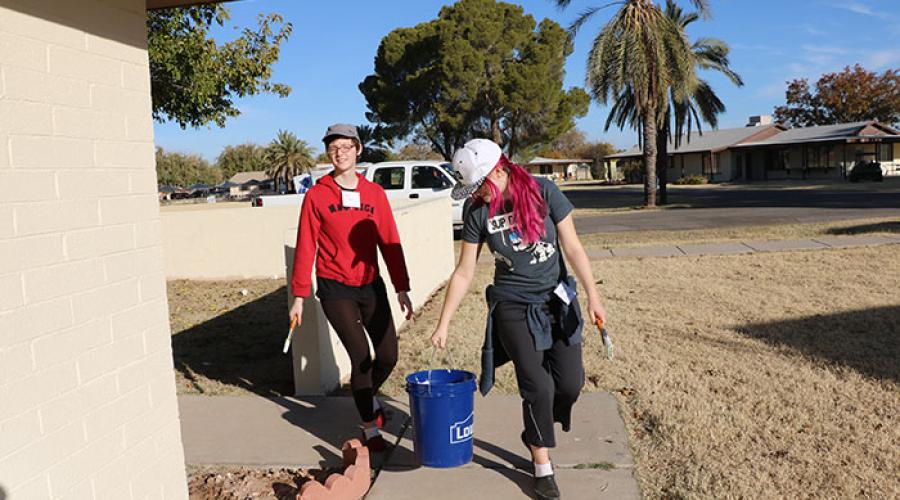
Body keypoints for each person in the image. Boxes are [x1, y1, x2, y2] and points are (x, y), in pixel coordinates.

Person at [430, 139, 606, 500]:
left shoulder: (544, 191)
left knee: (569, 383)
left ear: (499, 169)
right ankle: (542, 464)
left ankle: (537, 425)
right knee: (537, 385)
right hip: (511, 304)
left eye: (479, 186)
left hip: (556, 299)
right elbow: (464, 272)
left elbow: (572, 247)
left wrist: (593, 294)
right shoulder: (477, 211)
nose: (476, 194)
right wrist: (443, 322)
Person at [289, 123, 414, 452]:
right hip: (335, 288)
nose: (339, 153)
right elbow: (306, 245)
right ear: (328, 153)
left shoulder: (375, 195)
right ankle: (370, 427)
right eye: (333, 148)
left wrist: (401, 286)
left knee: (387, 356)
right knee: (361, 358)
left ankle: (366, 400)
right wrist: (299, 295)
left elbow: (390, 241)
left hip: (371, 286)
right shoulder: (317, 195)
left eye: (346, 147)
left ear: (358, 150)